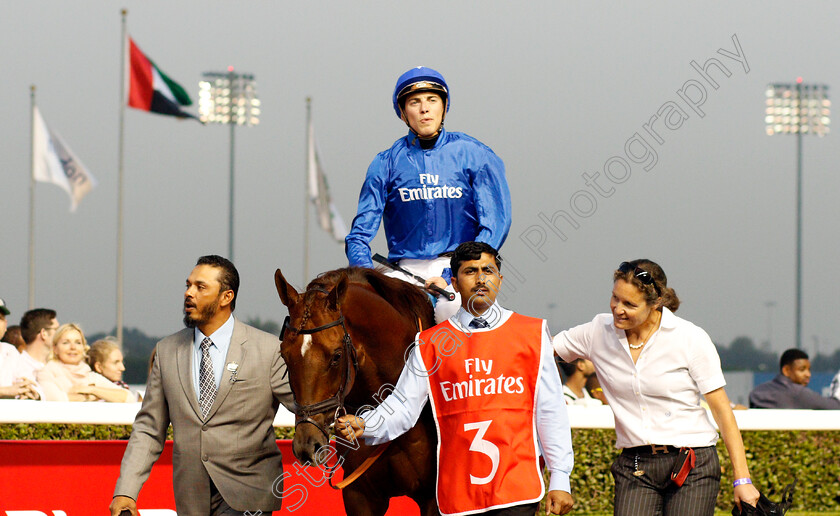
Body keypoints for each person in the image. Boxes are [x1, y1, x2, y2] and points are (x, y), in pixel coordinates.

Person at [337, 242, 574, 516]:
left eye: (488, 270)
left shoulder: (532, 333)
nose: (481, 278)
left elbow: (551, 411)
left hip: (516, 490)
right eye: (470, 271)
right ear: (454, 282)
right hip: (456, 494)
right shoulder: (429, 343)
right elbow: (403, 405)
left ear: (500, 278)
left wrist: (560, 477)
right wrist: (366, 425)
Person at [553, 259, 760, 515]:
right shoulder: (597, 331)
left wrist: (743, 480)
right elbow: (542, 350)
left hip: (692, 463)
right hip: (635, 465)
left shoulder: (690, 338)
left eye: (630, 304)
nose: (618, 309)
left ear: (656, 302)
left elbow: (722, 411)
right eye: (615, 298)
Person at [110, 255, 294, 516]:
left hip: (250, 494)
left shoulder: (268, 350)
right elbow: (149, 429)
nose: (188, 293)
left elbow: (306, 403)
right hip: (191, 497)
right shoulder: (166, 351)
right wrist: (126, 491)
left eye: (200, 286)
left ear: (226, 297)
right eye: (188, 285)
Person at [345, 66, 512, 323]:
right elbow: (358, 237)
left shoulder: (476, 154)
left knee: (452, 310)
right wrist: (371, 281)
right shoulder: (384, 163)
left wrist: (455, 274)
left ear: (444, 107)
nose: (424, 109)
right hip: (402, 272)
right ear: (403, 113)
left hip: (461, 268)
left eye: (432, 100)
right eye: (415, 102)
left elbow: (495, 226)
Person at [37, 323, 133, 402]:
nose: (73, 347)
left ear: (83, 347)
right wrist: (90, 397)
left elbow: (128, 398)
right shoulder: (46, 373)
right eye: (66, 342)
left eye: (78, 342)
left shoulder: (90, 376)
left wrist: (92, 390)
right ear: (55, 348)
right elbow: (55, 400)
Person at [748, 349, 840, 409]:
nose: (808, 374)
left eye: (809, 369)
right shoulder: (799, 393)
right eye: (802, 369)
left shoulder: (757, 392)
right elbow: (835, 407)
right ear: (786, 370)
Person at [0, 299, 39, 400]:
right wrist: (4, 391)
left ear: (5, 325)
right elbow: (11, 390)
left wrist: (30, 392)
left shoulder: (10, 351)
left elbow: (32, 384)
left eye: (0, 318)